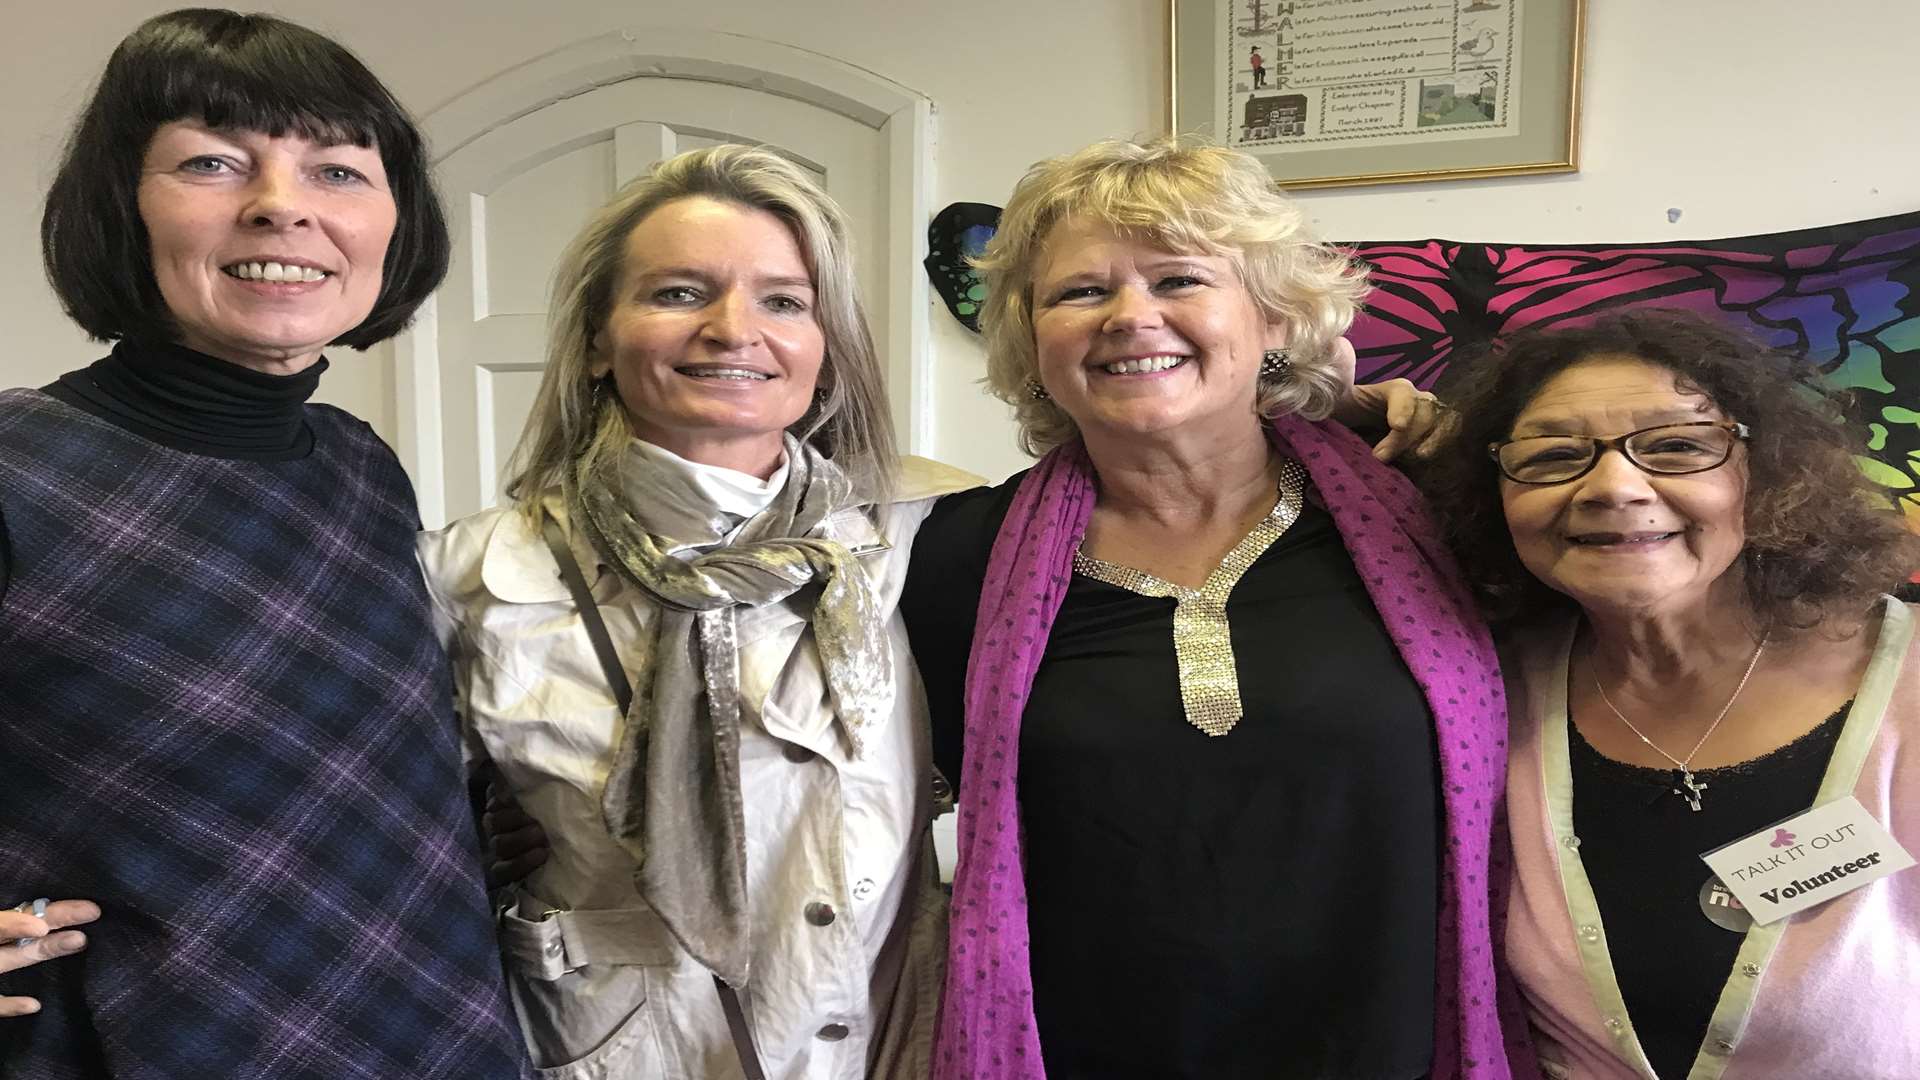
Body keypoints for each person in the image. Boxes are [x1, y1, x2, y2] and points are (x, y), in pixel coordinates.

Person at [902, 136, 1527, 1079]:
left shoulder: (1436, 517)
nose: (1129, 316)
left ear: (1273, 316)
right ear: (1032, 340)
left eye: (1179, 279)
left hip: (1392, 1050)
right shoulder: (954, 559)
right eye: (1079, 292)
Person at [0, 10, 525, 1076]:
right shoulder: (18, 469)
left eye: (337, 171)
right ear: (121, 204)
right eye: (211, 162)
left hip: (431, 1025)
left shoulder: (362, 470)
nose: (282, 207)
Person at [417, 144, 980, 1079]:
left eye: (784, 301)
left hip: (898, 1046)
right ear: (597, 339)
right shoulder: (471, 576)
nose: (734, 329)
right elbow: (373, 837)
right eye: (679, 293)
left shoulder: (928, 541)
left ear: (825, 345)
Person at [1420, 308, 1920, 1078]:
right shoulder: (1483, 695)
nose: (1614, 486)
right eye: (1554, 456)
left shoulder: (1908, 682)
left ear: (1768, 473)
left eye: (1678, 447)